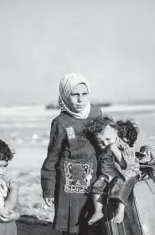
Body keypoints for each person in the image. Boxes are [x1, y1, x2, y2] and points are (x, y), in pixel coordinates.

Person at [41, 73, 102, 235]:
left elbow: (105, 144)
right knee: (72, 225)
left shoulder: (96, 113)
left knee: (94, 220)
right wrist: (48, 189)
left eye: (84, 94)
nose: (80, 100)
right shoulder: (60, 122)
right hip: (69, 182)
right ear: (65, 95)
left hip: (94, 177)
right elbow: (52, 158)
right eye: (75, 95)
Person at [85, 116, 148, 225]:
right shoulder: (104, 147)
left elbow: (124, 164)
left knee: (120, 188)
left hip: (126, 173)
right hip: (110, 174)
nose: (105, 143)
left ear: (115, 132)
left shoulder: (121, 146)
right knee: (97, 187)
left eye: (108, 139)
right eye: (100, 141)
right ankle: (98, 211)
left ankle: (120, 212)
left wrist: (115, 150)